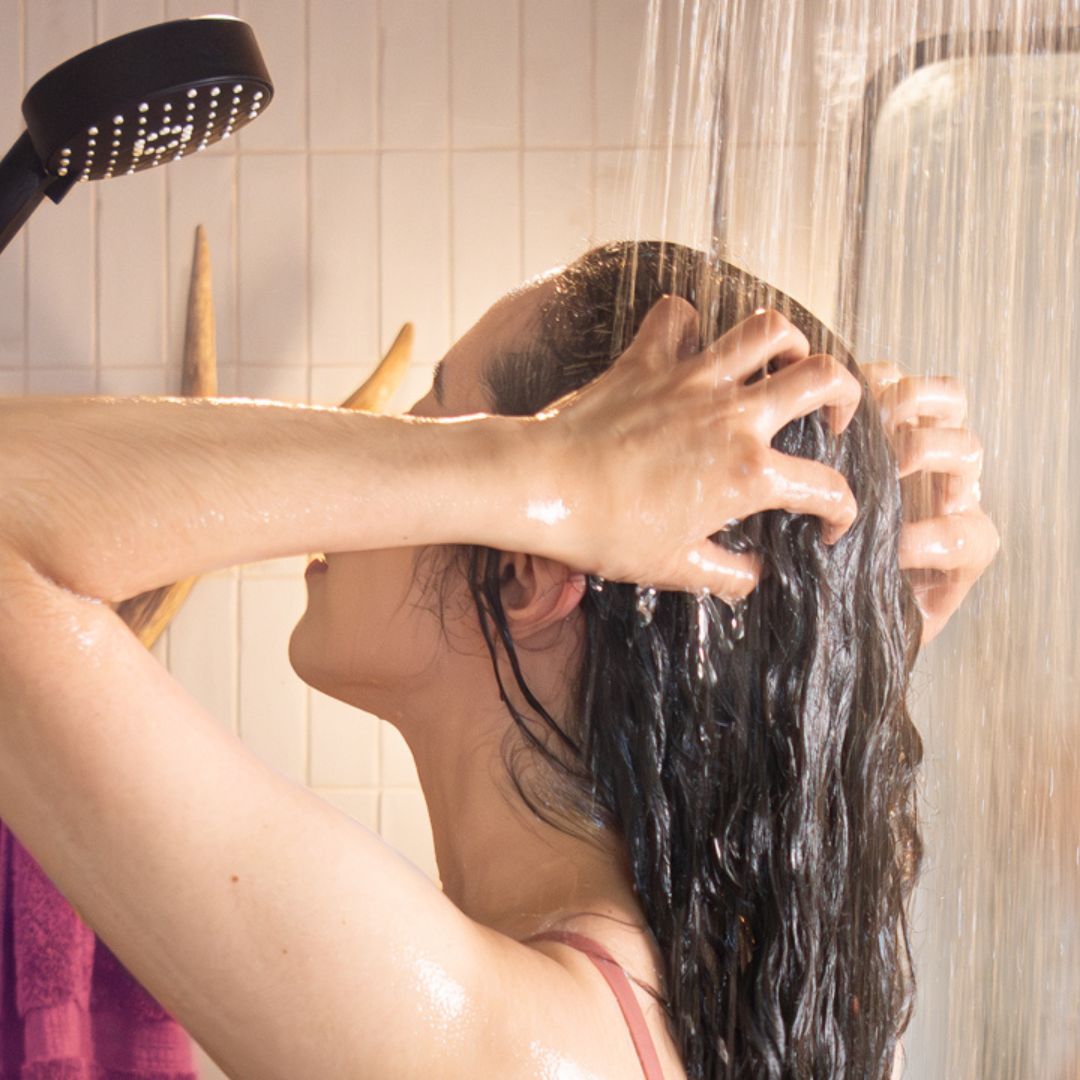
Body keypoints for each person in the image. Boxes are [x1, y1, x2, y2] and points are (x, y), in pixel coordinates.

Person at [0, 240, 997, 1080]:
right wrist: (840, 631)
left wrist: (546, 477)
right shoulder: (716, 994)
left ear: (526, 569)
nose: (381, 453)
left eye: (446, 426)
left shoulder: (516, 1052)